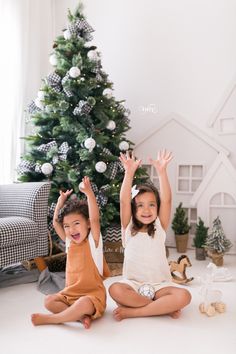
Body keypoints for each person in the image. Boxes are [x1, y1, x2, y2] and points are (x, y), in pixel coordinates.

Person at [109, 150, 191, 321]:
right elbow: (124, 200)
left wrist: (162, 171)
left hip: (160, 286)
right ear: (133, 209)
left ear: (157, 208)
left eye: (152, 205)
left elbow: (167, 200)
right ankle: (160, 308)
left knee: (184, 296)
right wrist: (129, 172)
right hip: (133, 285)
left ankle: (135, 311)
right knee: (114, 289)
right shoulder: (128, 226)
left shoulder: (160, 226)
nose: (146, 210)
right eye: (140, 205)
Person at [31, 176, 110, 328]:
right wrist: (60, 203)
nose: (71, 229)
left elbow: (95, 219)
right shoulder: (70, 243)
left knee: (83, 303)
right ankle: (80, 318)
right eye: (67, 226)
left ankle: (53, 319)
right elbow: (55, 222)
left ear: (87, 224)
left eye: (76, 224)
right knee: (48, 301)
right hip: (70, 294)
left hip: (91, 297)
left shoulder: (94, 242)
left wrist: (89, 194)